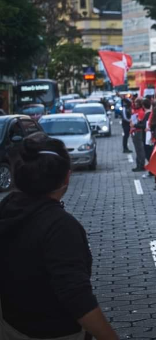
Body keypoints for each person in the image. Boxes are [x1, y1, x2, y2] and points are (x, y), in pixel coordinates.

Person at [0, 133, 118, 339]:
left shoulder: (7, 206)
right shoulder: (61, 227)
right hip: (55, 332)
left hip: (11, 326)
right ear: (66, 177)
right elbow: (77, 297)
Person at [130, 98, 147, 172]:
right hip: (134, 131)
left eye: (137, 103)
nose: (135, 104)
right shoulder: (136, 111)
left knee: (139, 149)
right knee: (137, 149)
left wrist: (134, 124)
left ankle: (141, 165)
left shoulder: (140, 112)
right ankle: (139, 164)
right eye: (135, 102)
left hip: (138, 132)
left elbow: (140, 123)